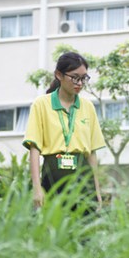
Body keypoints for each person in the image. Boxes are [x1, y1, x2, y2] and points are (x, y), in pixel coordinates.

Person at [22, 52, 105, 212]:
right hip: (53, 173)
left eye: (84, 78)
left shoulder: (88, 106)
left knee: (85, 232)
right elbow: (34, 150)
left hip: (82, 174)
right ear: (59, 75)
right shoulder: (41, 104)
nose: (79, 83)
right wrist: (37, 188)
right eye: (75, 77)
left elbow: (92, 154)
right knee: (54, 231)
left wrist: (97, 191)